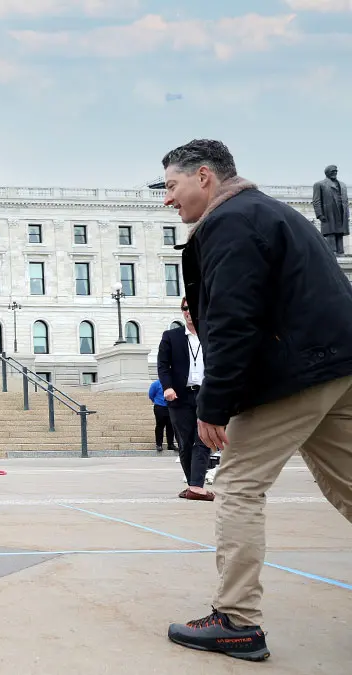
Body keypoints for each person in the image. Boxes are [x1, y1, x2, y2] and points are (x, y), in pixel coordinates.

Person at [160, 139, 352, 661]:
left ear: (204, 177)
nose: (166, 201)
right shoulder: (271, 212)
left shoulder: (230, 222)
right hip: (338, 368)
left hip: (293, 375)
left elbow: (233, 319)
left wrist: (215, 404)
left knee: (239, 486)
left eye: (172, 186)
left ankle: (237, 620)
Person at [156, 299, 215, 501]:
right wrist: (167, 387)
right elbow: (163, 365)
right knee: (185, 442)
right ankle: (194, 486)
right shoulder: (171, 337)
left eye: (193, 308)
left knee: (204, 439)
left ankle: (196, 486)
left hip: (206, 394)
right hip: (180, 396)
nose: (189, 312)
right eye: (185, 308)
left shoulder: (212, 335)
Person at [147, 379, 176, 454]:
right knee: (160, 425)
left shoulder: (173, 383)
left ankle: (170, 444)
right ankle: (159, 444)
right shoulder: (156, 384)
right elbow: (151, 394)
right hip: (160, 406)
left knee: (170, 426)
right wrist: (157, 401)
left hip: (170, 406)